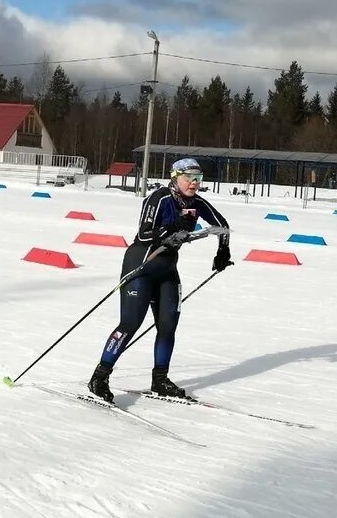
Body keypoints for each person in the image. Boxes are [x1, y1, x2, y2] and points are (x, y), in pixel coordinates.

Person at [87, 158, 232, 403]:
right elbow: (144, 234)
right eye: (189, 178)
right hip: (141, 264)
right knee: (130, 324)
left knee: (168, 325)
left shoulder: (196, 202)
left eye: (198, 179)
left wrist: (222, 251)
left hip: (166, 269)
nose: (194, 184)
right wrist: (174, 226)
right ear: (175, 177)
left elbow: (222, 226)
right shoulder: (160, 198)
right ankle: (100, 376)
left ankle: (160, 379)